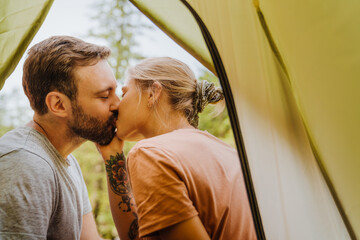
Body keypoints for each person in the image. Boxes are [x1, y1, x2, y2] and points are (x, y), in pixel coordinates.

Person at [97, 57, 257, 239]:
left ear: (153, 93)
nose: (117, 105)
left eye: (124, 93)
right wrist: (113, 155)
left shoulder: (152, 154)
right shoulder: (228, 153)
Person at [0, 36, 120, 239]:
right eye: (104, 96)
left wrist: (115, 159)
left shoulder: (66, 160)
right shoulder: (24, 164)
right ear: (58, 104)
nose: (118, 104)